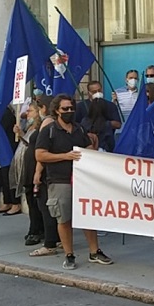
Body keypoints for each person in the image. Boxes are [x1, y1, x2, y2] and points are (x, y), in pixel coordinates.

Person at [35, 94, 113, 270]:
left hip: (81, 180)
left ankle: (95, 251)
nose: (69, 111)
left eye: (71, 108)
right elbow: (40, 154)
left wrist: (91, 149)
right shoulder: (49, 130)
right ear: (57, 110)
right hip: (59, 180)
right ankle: (69, 254)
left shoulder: (79, 129)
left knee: (87, 217)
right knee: (64, 219)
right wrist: (65, 156)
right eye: (65, 109)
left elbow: (86, 148)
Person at [29, 96, 61, 257]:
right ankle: (56, 238)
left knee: (46, 206)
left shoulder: (48, 123)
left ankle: (50, 242)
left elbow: (43, 150)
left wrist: (37, 172)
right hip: (45, 170)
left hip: (45, 172)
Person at [11, 102, 43, 245]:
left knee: (35, 202)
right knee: (31, 201)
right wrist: (20, 134)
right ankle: (34, 228)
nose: (27, 113)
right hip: (26, 166)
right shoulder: (30, 127)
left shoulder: (40, 127)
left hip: (33, 169)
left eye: (30, 111)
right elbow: (28, 143)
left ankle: (36, 230)